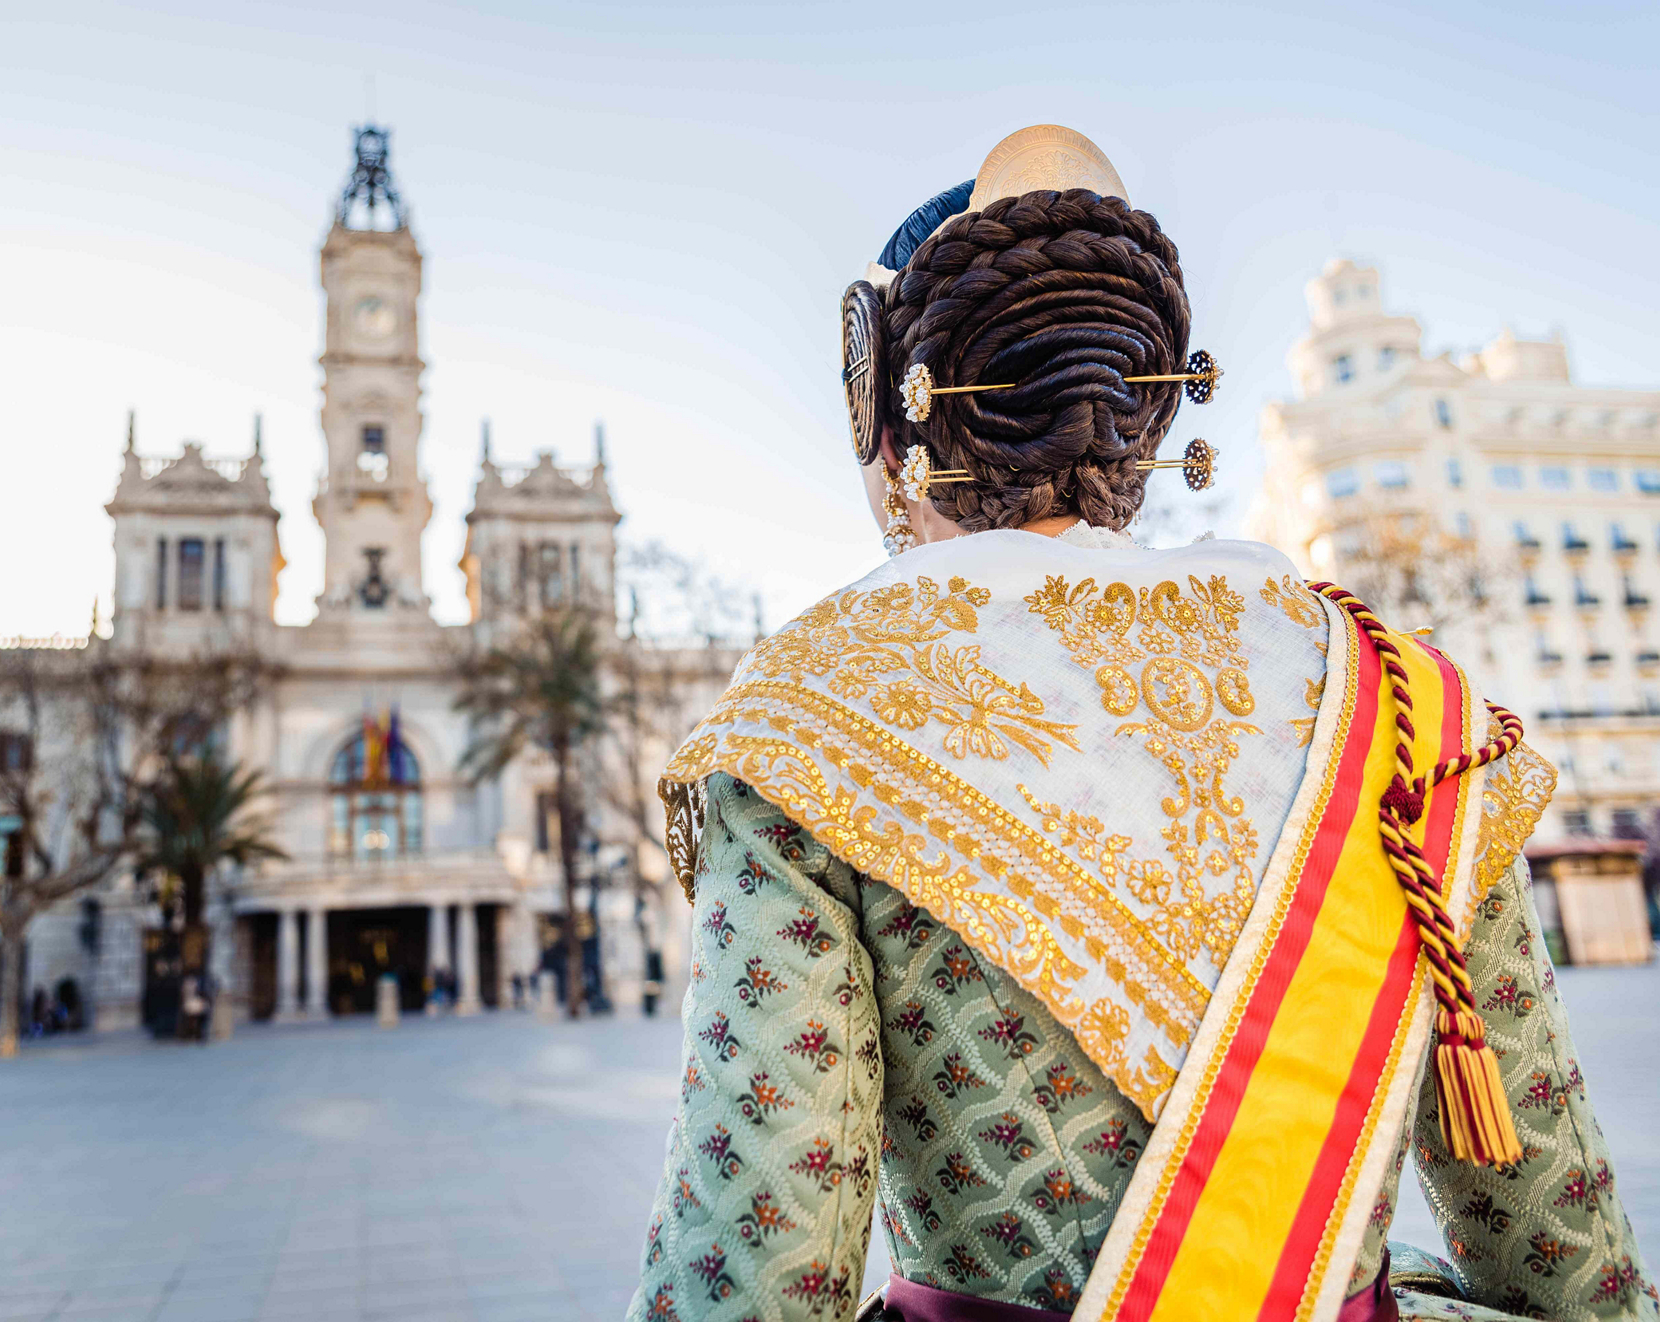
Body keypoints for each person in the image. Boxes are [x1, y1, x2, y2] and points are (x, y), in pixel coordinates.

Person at [626, 127, 1654, 1322]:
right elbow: (1558, 1235)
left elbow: (758, 1263)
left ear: (889, 418)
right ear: (1145, 407)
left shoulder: (803, 716)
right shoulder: (1393, 690)